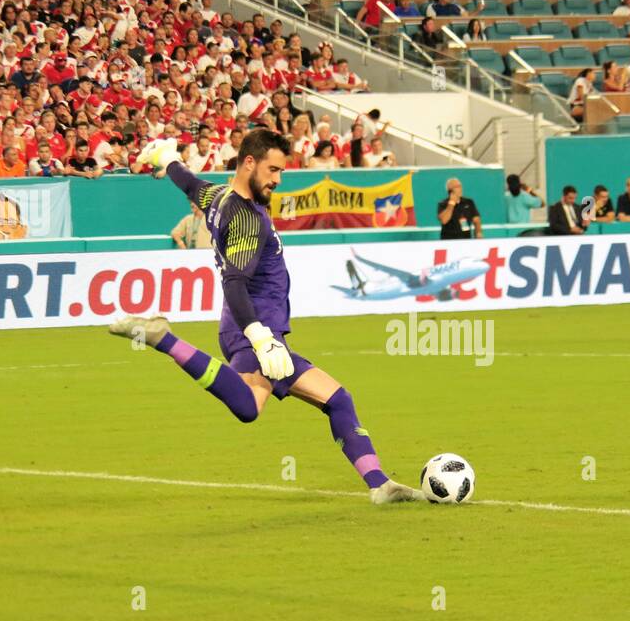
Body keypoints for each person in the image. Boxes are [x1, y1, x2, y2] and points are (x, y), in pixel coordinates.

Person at [109, 132, 421, 505]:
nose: (278, 179)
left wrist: (168, 160)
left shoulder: (219, 197)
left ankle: (380, 485)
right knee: (252, 407)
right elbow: (235, 281)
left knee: (334, 400)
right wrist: (260, 336)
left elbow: (190, 185)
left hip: (248, 328)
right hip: (254, 328)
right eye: (273, 169)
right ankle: (164, 338)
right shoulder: (245, 219)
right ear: (249, 163)